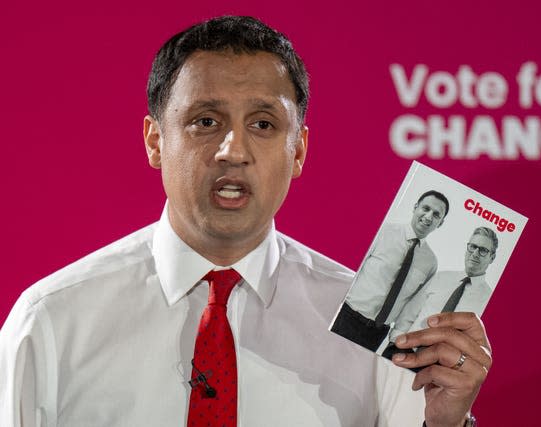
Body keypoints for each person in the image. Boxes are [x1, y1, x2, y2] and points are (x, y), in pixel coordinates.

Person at [0, 16, 491, 427]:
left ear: (297, 150)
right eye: (205, 121)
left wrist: (448, 423)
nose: (233, 151)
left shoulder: (375, 337)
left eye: (262, 125)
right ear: (155, 141)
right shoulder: (50, 321)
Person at [331, 191, 448, 352]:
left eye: (436, 215)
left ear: (440, 223)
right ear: (415, 207)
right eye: (425, 208)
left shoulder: (431, 262)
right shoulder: (384, 231)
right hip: (346, 315)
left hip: (378, 332)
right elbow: (354, 268)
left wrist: (397, 337)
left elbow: (413, 304)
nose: (428, 216)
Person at [383, 227, 498, 360]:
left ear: (492, 257)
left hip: (438, 366)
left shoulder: (489, 300)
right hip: (404, 349)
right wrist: (395, 341)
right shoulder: (441, 277)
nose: (475, 253)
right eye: (473, 246)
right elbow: (410, 312)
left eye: (483, 250)